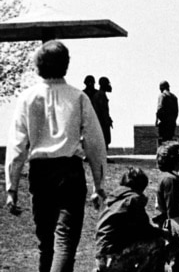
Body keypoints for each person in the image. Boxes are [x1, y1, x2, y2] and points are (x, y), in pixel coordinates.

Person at [5, 40, 107, 272]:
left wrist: (12, 188)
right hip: (69, 172)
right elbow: (95, 143)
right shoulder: (78, 97)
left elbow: (17, 145)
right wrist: (98, 184)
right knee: (65, 243)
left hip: (40, 174)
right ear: (66, 65)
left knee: (46, 245)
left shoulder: (27, 98)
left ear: (38, 66)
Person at [95, 167, 166, 272]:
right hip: (114, 257)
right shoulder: (133, 200)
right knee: (158, 242)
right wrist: (163, 232)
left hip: (101, 256)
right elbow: (145, 230)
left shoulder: (113, 198)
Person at [93, 76, 114, 149]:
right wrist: (107, 120)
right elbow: (103, 110)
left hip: (100, 122)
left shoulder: (99, 94)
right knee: (104, 139)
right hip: (102, 123)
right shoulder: (101, 95)